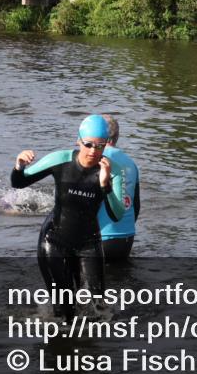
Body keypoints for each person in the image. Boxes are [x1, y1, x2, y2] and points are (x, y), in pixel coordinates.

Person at [11, 115, 125, 319]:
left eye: (99, 146)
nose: (93, 151)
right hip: (54, 240)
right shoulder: (61, 159)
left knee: (98, 309)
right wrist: (19, 165)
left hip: (89, 242)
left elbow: (116, 215)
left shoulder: (112, 169)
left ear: (106, 145)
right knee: (65, 312)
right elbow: (19, 182)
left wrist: (105, 184)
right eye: (88, 144)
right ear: (79, 141)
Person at [96, 115, 141, 261]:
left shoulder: (96, 158)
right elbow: (136, 205)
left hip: (101, 238)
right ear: (117, 136)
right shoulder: (131, 163)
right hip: (127, 238)